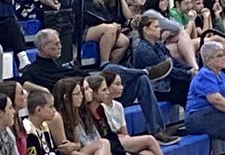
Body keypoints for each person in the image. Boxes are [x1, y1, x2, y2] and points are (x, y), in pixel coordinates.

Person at [21, 28, 179, 144]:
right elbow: (23, 84)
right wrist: (43, 91)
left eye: (60, 42)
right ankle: (145, 71)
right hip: (83, 98)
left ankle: (158, 130)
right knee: (109, 69)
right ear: (43, 48)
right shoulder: (34, 70)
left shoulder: (62, 66)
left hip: (93, 90)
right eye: (56, 44)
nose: (60, 46)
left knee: (141, 81)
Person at [91, 71, 201, 155]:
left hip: (121, 141)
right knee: (149, 140)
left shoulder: (118, 106)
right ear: (108, 88)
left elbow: (124, 134)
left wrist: (123, 138)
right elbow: (109, 136)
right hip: (111, 144)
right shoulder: (101, 108)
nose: (122, 87)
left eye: (122, 84)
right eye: (117, 84)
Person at [131, 15, 194, 106]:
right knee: (188, 86)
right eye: (156, 27)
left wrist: (190, 68)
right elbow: (166, 71)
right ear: (146, 30)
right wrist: (188, 74)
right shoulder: (143, 50)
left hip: (167, 82)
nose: (160, 29)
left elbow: (173, 62)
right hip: (157, 88)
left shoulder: (158, 45)